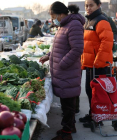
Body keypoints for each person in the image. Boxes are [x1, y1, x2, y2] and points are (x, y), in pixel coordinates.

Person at [39, 2, 85, 140]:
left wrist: (62, 63)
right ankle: (70, 127)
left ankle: (66, 134)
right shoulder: (63, 25)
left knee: (68, 104)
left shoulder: (74, 25)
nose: (53, 19)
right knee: (66, 104)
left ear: (60, 13)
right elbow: (60, 47)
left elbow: (77, 49)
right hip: (64, 72)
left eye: (53, 15)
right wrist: (49, 56)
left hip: (67, 71)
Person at [79, 0, 113, 128]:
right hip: (90, 65)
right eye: (86, 5)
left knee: (96, 93)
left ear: (99, 5)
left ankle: (97, 119)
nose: (88, 8)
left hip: (98, 66)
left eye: (91, 5)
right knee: (89, 91)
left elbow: (107, 43)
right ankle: (92, 114)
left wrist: (98, 62)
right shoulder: (89, 21)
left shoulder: (101, 21)